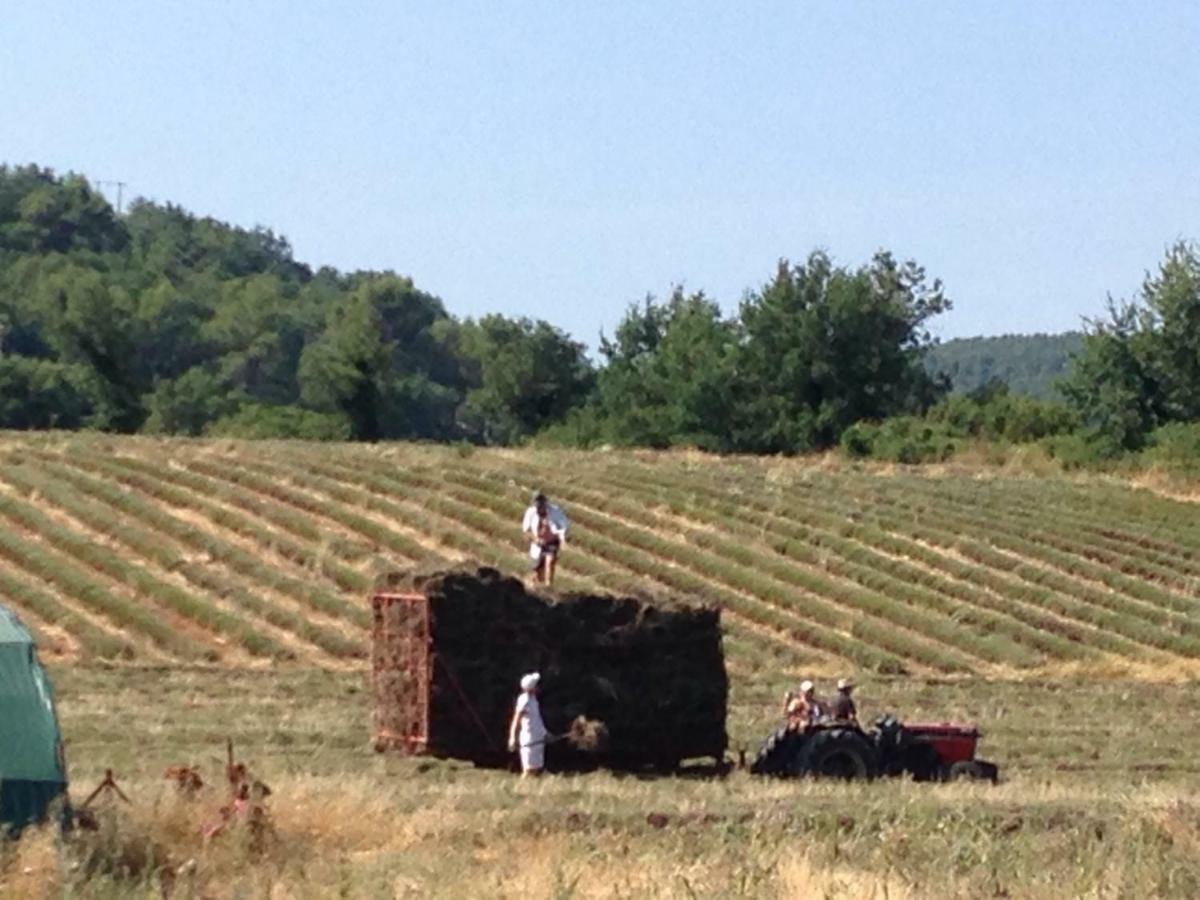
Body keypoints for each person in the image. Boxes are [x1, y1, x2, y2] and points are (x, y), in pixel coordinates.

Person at [521, 491, 569, 586]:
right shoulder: (530, 512)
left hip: (551, 542)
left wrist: (562, 540)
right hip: (537, 545)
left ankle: (548, 586)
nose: (540, 507)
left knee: (549, 564)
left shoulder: (555, 511)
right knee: (536, 570)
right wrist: (535, 539)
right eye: (538, 504)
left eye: (542, 503)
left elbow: (564, 525)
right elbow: (526, 530)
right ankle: (533, 585)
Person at [507, 672, 548, 777]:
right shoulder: (524, 700)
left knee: (538, 770)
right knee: (529, 771)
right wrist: (512, 738)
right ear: (532, 687)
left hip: (538, 739)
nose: (538, 687)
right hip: (530, 739)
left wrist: (545, 733)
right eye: (536, 685)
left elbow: (537, 720)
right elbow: (516, 720)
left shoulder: (534, 700)